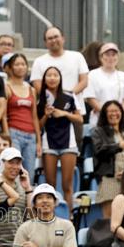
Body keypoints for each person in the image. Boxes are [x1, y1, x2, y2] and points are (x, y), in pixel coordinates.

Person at [30, 26, 89, 151]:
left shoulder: (77, 56)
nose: (53, 40)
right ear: (45, 42)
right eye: (49, 38)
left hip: (74, 111)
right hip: (49, 113)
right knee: (50, 151)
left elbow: (84, 81)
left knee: (76, 149)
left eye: (56, 36)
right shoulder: (39, 61)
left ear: (63, 38)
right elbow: (37, 85)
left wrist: (66, 98)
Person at [38, 66, 82, 209]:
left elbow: (79, 119)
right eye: (49, 75)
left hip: (68, 144)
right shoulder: (40, 98)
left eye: (55, 75)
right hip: (48, 145)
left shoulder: (69, 96)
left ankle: (69, 217)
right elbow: (38, 125)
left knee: (67, 185)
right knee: (50, 186)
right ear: (44, 79)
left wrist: (64, 113)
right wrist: (46, 114)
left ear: (60, 78)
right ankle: (50, 215)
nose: (52, 78)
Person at [92, 100, 124, 217]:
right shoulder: (98, 131)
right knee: (109, 219)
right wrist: (119, 146)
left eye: (116, 111)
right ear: (104, 114)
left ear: (121, 113)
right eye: (110, 111)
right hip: (109, 179)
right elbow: (99, 151)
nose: (113, 114)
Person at [3, 53, 41, 181]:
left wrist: (39, 141)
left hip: (30, 135)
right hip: (14, 133)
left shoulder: (31, 89)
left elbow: (34, 116)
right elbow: (3, 115)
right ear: (11, 67)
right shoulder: (6, 86)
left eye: (23, 64)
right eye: (17, 64)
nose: (20, 67)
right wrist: (7, 137)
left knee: (28, 173)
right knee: (13, 171)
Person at [83, 43, 124, 128]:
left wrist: (119, 113)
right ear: (101, 57)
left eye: (113, 55)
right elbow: (90, 98)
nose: (111, 58)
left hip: (119, 121)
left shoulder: (123, 76)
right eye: (107, 55)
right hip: (99, 120)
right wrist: (106, 114)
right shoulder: (92, 75)